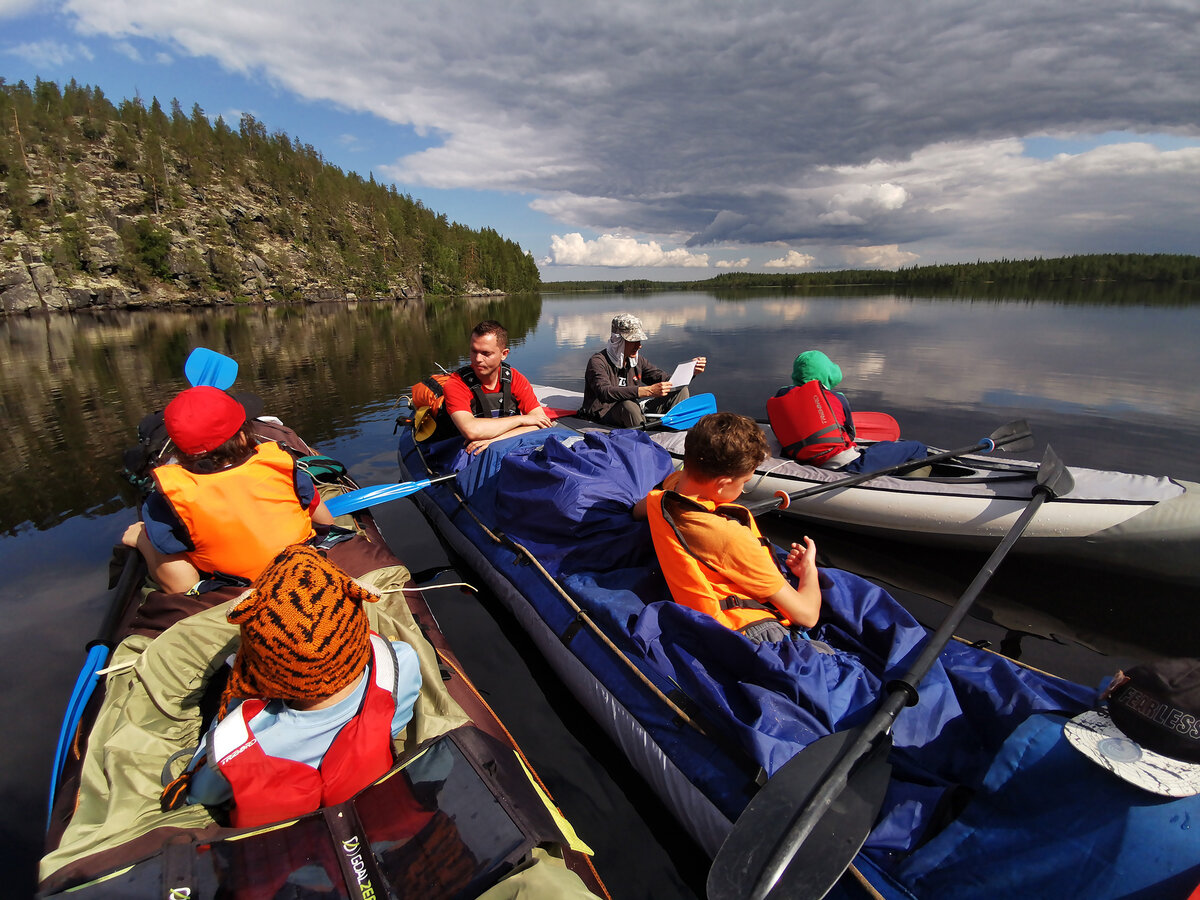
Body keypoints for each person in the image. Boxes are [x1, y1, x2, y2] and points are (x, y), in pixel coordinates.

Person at [161, 544, 423, 828]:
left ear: (263, 669)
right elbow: (396, 722)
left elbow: (201, 794)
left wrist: (237, 699)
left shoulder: (237, 743)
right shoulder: (400, 661)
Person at [122, 386, 334, 594]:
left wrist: (142, 538)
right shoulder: (282, 464)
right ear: (242, 437)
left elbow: (182, 585)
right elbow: (325, 521)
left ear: (178, 451)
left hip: (236, 586)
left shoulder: (165, 498)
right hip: (303, 566)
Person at [633, 412, 821, 643]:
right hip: (755, 637)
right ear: (722, 485)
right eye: (744, 483)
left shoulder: (667, 492)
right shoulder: (731, 539)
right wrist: (809, 570)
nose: (742, 491)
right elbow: (808, 615)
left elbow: (638, 510)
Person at [767, 349, 927, 472]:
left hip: (805, 459)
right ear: (827, 374)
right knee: (918, 448)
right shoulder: (837, 398)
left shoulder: (781, 398)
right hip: (850, 466)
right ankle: (907, 486)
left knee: (882, 446)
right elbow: (850, 435)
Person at [443, 320, 553, 454]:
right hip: (469, 451)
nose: (477, 359)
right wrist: (522, 419)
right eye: (474, 351)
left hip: (501, 445)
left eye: (486, 353)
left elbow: (540, 422)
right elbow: (471, 431)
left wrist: (498, 440)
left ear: (504, 354)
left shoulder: (515, 379)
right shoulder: (456, 384)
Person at [581, 313, 707, 428]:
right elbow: (605, 392)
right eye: (633, 341)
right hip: (605, 415)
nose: (639, 345)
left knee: (681, 390)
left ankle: (675, 431)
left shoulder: (637, 361)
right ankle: (645, 441)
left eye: (639, 340)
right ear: (617, 340)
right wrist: (647, 391)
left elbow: (667, 380)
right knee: (628, 406)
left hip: (634, 412)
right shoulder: (598, 361)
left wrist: (691, 372)